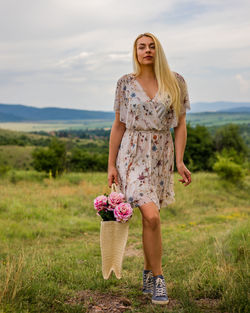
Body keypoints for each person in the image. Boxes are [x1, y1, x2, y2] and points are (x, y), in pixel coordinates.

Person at [108, 32, 192, 305]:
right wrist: (111, 164)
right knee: (152, 216)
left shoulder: (175, 81)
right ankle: (158, 279)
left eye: (152, 46)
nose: (147, 50)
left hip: (160, 156)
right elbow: (119, 125)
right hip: (131, 155)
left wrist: (179, 161)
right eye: (141, 47)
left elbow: (179, 125)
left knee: (150, 218)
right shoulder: (125, 83)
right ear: (135, 52)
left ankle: (146, 272)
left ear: (159, 51)